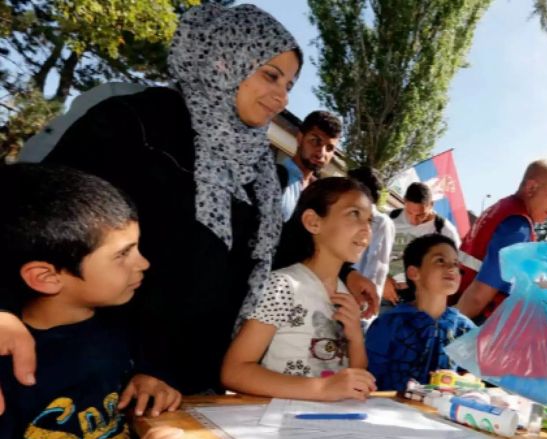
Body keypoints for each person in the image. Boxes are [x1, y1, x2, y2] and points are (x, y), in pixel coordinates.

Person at [0, 4, 374, 407]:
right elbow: (35, 218)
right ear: (223, 58)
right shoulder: (137, 122)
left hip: (194, 379)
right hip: (101, 369)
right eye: (270, 75)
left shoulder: (260, 167)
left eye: (289, 84)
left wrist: (347, 271)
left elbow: (265, 254)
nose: (281, 97)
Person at [0, 164, 183, 439]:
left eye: (137, 247)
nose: (144, 263)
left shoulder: (122, 325)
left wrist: (147, 378)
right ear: (46, 278)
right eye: (122, 254)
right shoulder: (13, 369)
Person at [221, 177, 377, 401]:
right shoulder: (284, 286)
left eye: (370, 220)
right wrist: (322, 389)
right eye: (354, 214)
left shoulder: (347, 296)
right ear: (313, 221)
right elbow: (234, 371)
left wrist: (355, 339)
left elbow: (356, 377)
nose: (366, 229)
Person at [454, 159, 547, 322]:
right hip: (474, 322)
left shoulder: (501, 209)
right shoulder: (517, 226)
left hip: (458, 305)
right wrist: (447, 331)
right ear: (531, 187)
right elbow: (479, 295)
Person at [366, 234, 475, 392]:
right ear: (413, 273)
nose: (451, 268)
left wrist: (462, 380)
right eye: (440, 261)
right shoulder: (388, 324)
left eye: (456, 263)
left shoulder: (465, 328)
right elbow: (371, 377)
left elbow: (475, 376)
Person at [384, 182, 461, 304]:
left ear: (431, 205)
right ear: (404, 201)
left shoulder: (445, 231)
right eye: (409, 213)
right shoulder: (389, 218)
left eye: (420, 215)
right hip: (383, 289)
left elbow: (454, 268)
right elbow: (371, 252)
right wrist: (382, 279)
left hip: (419, 298)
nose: (414, 220)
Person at [278, 110, 343, 221]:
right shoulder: (275, 178)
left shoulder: (320, 194)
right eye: (316, 141)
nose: (322, 153)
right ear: (300, 138)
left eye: (329, 148)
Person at [349, 167, 395, 298]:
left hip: (355, 298)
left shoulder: (381, 222)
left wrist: (365, 304)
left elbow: (377, 268)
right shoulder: (344, 215)